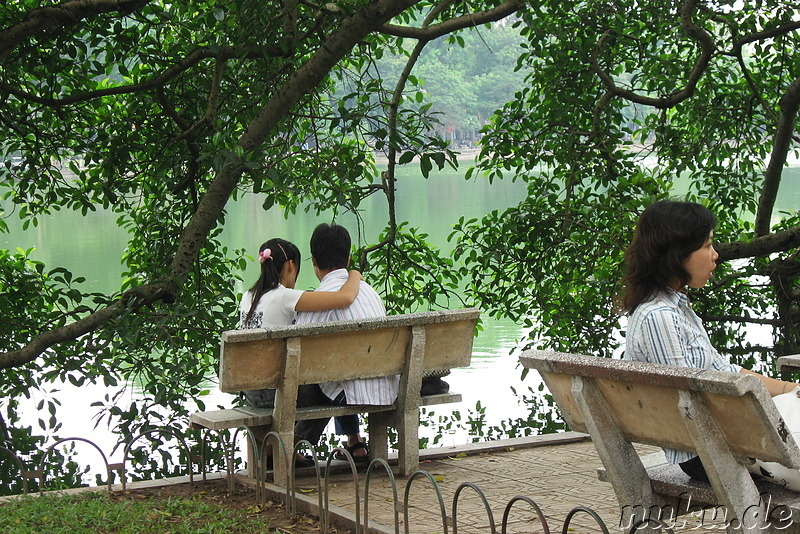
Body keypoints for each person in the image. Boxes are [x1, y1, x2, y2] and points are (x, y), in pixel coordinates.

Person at [621, 199, 798, 483]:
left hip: (721, 444)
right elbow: (688, 402)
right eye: (706, 246)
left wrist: (791, 390)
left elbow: (726, 371)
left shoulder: (674, 308)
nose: (715, 255)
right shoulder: (660, 317)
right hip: (708, 454)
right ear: (676, 254)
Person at [238, 237, 363, 467]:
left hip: (251, 390)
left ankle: (280, 447)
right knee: (332, 388)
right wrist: (354, 275)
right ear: (290, 266)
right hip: (276, 393)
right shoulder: (284, 296)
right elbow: (344, 298)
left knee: (325, 383)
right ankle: (287, 446)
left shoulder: (247, 297)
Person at [293, 223, 400, 462]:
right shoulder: (370, 291)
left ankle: (291, 444)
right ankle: (355, 443)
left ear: (314, 261)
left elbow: (299, 351)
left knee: (318, 376)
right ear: (349, 257)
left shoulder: (322, 297)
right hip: (386, 385)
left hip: (351, 390)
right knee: (339, 371)